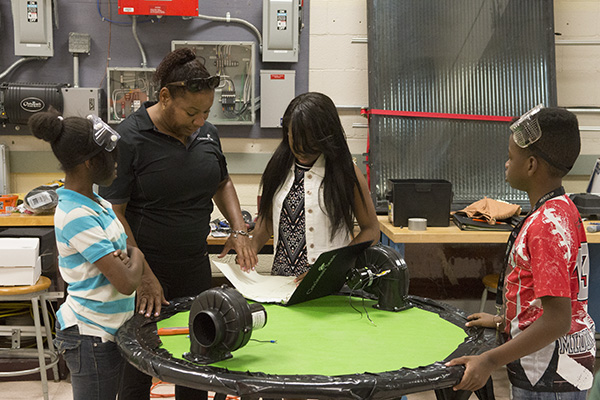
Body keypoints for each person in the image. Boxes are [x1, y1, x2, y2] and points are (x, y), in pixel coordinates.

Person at [98, 48, 257, 400]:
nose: (200, 120)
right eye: (191, 112)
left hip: (194, 267)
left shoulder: (207, 134)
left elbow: (221, 181)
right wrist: (143, 277)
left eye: (206, 111)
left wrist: (238, 228)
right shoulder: (129, 138)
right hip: (145, 269)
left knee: (197, 364)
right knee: (137, 367)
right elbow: (114, 212)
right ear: (165, 96)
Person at [446, 106, 596, 398]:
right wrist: (505, 321)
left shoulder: (544, 226)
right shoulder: (563, 209)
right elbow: (544, 295)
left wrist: (489, 360)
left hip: (548, 374)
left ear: (530, 165)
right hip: (562, 365)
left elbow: (556, 320)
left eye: (511, 157)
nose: (505, 164)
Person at [28, 111, 145, 400]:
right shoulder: (76, 214)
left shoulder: (99, 203)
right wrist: (137, 253)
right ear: (90, 163)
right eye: (111, 157)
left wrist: (129, 258)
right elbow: (127, 282)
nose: (117, 164)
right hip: (90, 336)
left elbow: (124, 259)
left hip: (110, 330)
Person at [251, 92, 379, 277]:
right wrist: (251, 247)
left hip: (327, 284)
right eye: (296, 142)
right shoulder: (278, 168)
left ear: (327, 137)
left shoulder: (346, 173)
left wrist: (330, 269)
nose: (302, 151)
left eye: (311, 145)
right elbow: (268, 219)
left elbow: (371, 231)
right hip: (281, 281)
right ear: (287, 132)